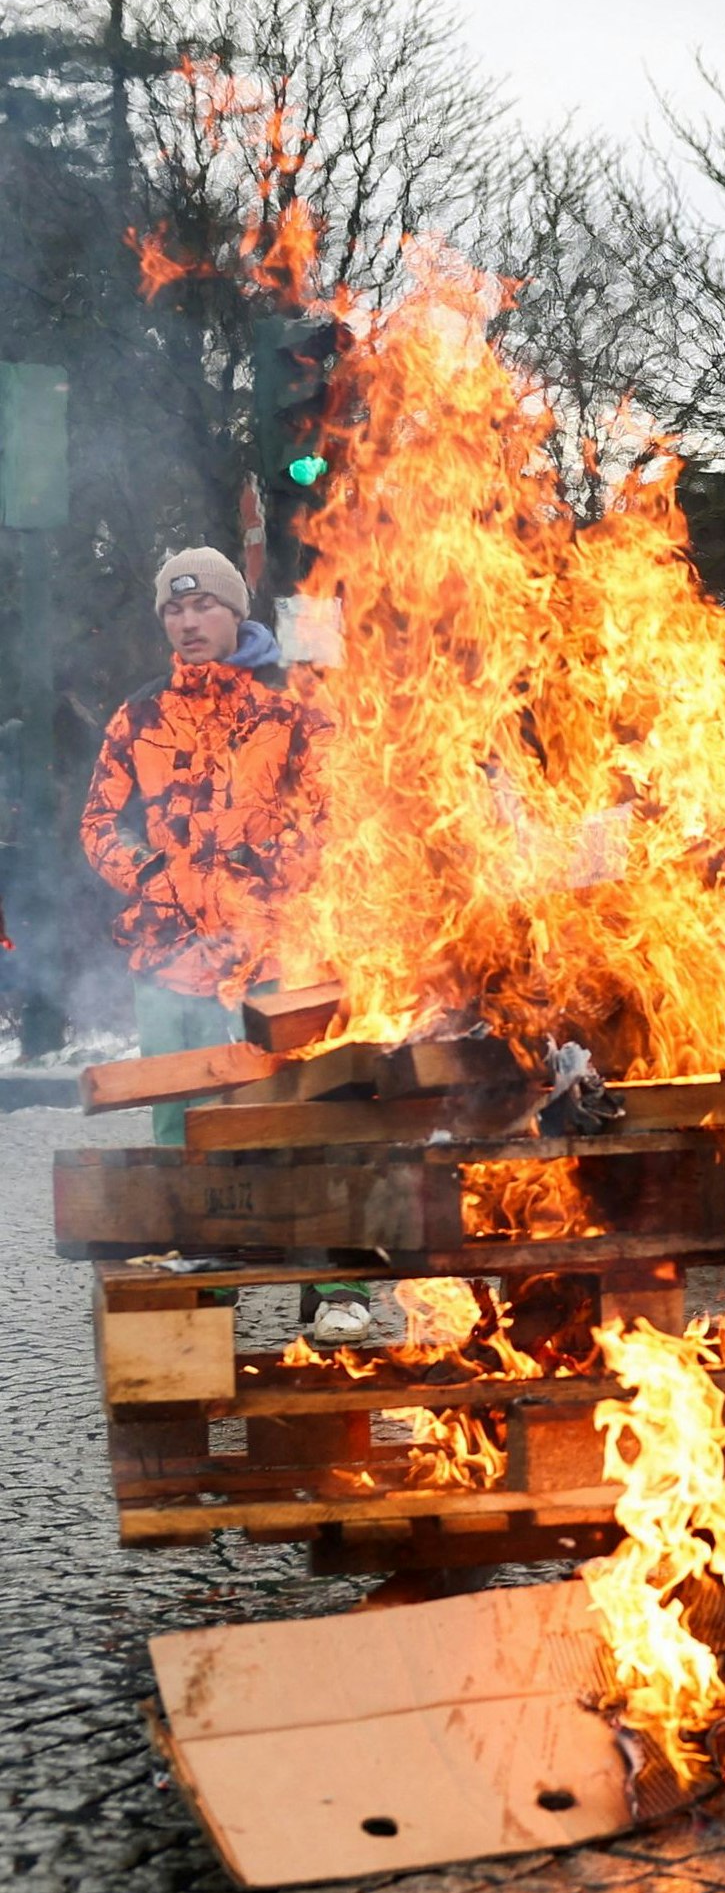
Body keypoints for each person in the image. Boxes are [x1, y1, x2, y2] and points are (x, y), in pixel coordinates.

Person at [81, 547, 371, 1347]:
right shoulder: (139, 715)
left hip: (278, 959)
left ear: (235, 612)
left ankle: (335, 1287)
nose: (187, 621)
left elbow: (333, 812)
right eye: (173, 610)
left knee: (302, 1119)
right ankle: (207, 1289)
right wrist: (144, 873)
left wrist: (263, 876)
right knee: (183, 1129)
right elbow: (97, 821)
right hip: (170, 962)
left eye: (202, 606)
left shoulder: (290, 708)